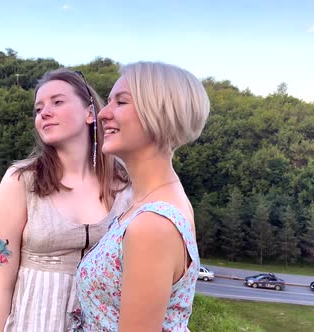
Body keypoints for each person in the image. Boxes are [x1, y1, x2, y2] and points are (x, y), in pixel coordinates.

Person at [0, 69, 130, 332]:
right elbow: (1, 288)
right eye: (38, 109)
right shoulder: (20, 182)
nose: (44, 113)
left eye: (57, 102)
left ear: (89, 113)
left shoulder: (124, 182)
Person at [74, 62, 210, 331]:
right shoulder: (153, 201)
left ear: (161, 113)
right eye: (109, 101)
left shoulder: (153, 224)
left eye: (121, 102)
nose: (103, 114)